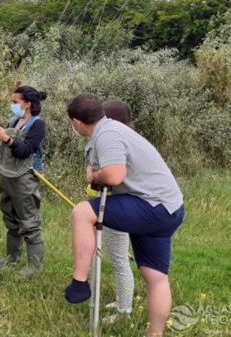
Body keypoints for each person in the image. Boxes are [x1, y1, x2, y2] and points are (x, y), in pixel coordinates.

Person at [64, 93, 185, 337]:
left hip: (152, 205)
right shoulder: (112, 129)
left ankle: (79, 283)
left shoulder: (107, 135)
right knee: (156, 277)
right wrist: (96, 171)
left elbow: (115, 175)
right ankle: (155, 334)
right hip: (170, 207)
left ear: (76, 122)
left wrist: (95, 176)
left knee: (82, 212)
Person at [0, 86, 47, 275]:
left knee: (28, 219)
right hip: (8, 175)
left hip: (26, 176)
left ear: (27, 104)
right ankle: (12, 258)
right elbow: (5, 147)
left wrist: (7, 139)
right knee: (10, 216)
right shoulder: (14, 121)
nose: (12, 105)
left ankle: (34, 267)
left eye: (15, 102)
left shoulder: (37, 124)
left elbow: (25, 150)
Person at [101, 100, 135, 320]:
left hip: (121, 205)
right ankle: (121, 300)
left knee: (120, 260)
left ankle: (124, 311)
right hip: (130, 204)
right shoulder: (133, 139)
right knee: (120, 259)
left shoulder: (114, 142)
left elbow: (113, 176)